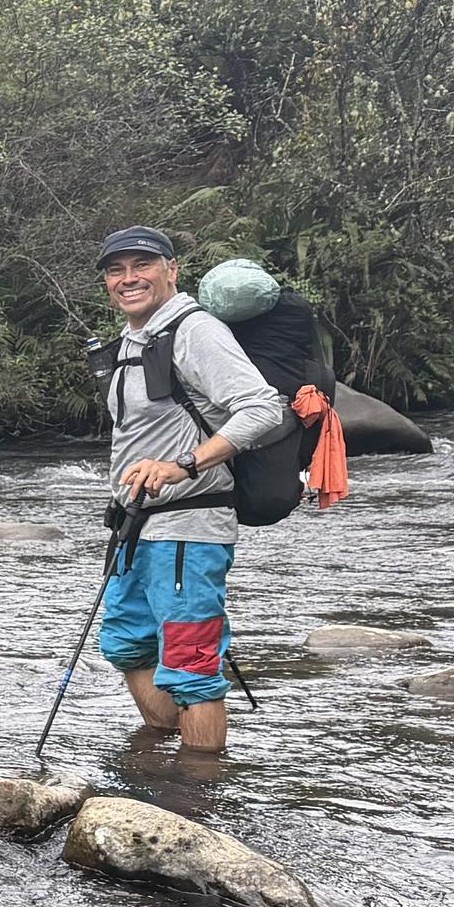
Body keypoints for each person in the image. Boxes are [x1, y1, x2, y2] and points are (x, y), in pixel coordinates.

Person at [91, 226, 287, 756]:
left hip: (190, 528)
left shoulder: (195, 330)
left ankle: (198, 790)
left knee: (191, 667)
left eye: (142, 265)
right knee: (128, 645)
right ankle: (160, 770)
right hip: (136, 527)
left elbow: (263, 408)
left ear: (171, 270)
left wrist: (184, 465)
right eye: (116, 270)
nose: (128, 278)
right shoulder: (134, 340)